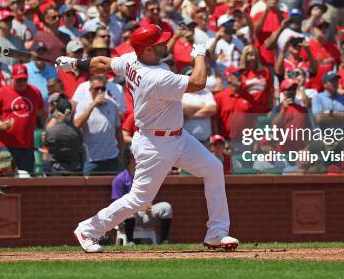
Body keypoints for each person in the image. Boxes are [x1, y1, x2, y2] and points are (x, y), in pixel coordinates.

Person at [56, 24, 238, 252]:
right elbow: (199, 81)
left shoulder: (134, 59)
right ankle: (88, 229)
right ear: (148, 50)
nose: (166, 44)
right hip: (155, 144)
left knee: (213, 167)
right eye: (160, 42)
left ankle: (217, 232)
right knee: (139, 200)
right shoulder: (155, 77)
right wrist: (199, 54)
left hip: (177, 137)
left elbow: (103, 63)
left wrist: (74, 64)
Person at [0, 64, 47, 174]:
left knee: (26, 177)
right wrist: (0, 124)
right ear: (12, 78)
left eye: (24, 79)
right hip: (6, 144)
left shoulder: (35, 92)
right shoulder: (3, 92)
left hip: (27, 145)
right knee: (5, 176)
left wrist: (46, 130)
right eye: (18, 80)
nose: (21, 83)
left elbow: (42, 114)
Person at [73, 74, 123, 175]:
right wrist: (93, 105)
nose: (100, 91)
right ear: (90, 90)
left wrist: (121, 150)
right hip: (91, 159)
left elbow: (118, 129)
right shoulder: (83, 105)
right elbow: (77, 124)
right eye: (97, 89)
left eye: (103, 88)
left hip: (111, 157)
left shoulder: (112, 104)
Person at [45, 96, 84, 176]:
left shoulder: (51, 131)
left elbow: (47, 144)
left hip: (56, 170)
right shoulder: (76, 131)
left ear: (57, 112)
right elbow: (79, 146)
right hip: (74, 170)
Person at [181, 66, 217, 144]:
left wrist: (191, 116)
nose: (194, 78)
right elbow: (183, 109)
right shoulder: (180, 92)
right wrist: (203, 107)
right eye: (190, 75)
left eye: (195, 75)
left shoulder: (206, 91)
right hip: (186, 143)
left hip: (205, 141)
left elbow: (212, 109)